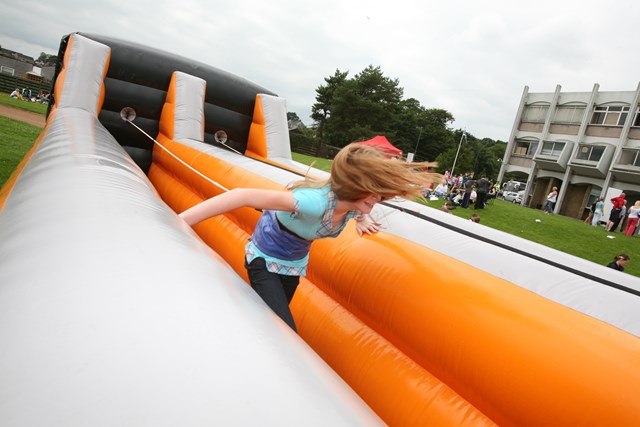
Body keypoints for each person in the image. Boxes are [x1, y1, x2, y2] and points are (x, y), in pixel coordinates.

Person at [179, 143, 440, 332]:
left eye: (381, 197)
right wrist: (179, 221)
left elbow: (358, 212)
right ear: (354, 189)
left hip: (293, 266)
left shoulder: (353, 208)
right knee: (283, 330)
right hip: (263, 258)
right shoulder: (312, 203)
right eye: (374, 195)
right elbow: (240, 195)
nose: (377, 200)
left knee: (266, 320)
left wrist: (364, 218)